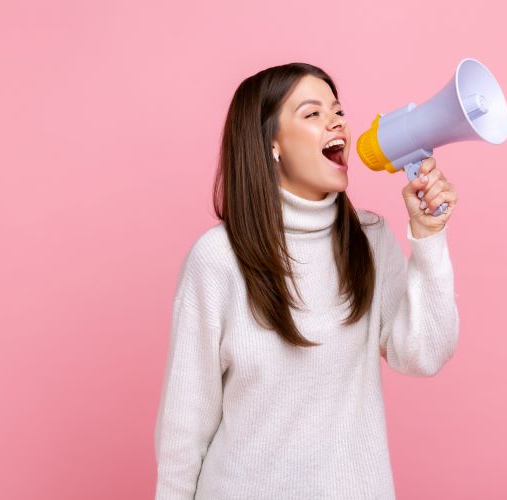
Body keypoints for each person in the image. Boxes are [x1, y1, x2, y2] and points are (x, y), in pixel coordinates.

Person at [153, 62, 460, 500]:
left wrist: (429, 239)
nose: (336, 121)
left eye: (337, 111)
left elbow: (425, 355)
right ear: (271, 145)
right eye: (312, 114)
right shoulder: (218, 259)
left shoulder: (369, 241)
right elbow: (184, 424)